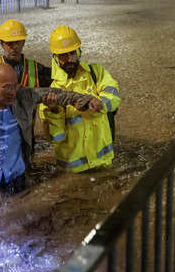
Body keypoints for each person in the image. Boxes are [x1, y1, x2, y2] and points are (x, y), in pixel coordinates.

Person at [0, 63, 93, 194]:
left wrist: (85, 100)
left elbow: (59, 94)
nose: (12, 92)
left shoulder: (24, 96)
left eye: (14, 85)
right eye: (6, 87)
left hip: (15, 177)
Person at [39, 26, 121, 173]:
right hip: (73, 173)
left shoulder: (96, 72)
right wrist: (53, 110)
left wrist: (101, 104)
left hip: (104, 163)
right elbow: (56, 138)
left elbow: (114, 95)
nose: (70, 59)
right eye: (63, 55)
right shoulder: (52, 93)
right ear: (55, 58)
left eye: (72, 53)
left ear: (79, 51)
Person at [0, 19, 52, 91]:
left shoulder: (36, 68)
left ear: (23, 43)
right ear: (2, 44)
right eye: (9, 43)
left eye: (17, 42)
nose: (14, 47)